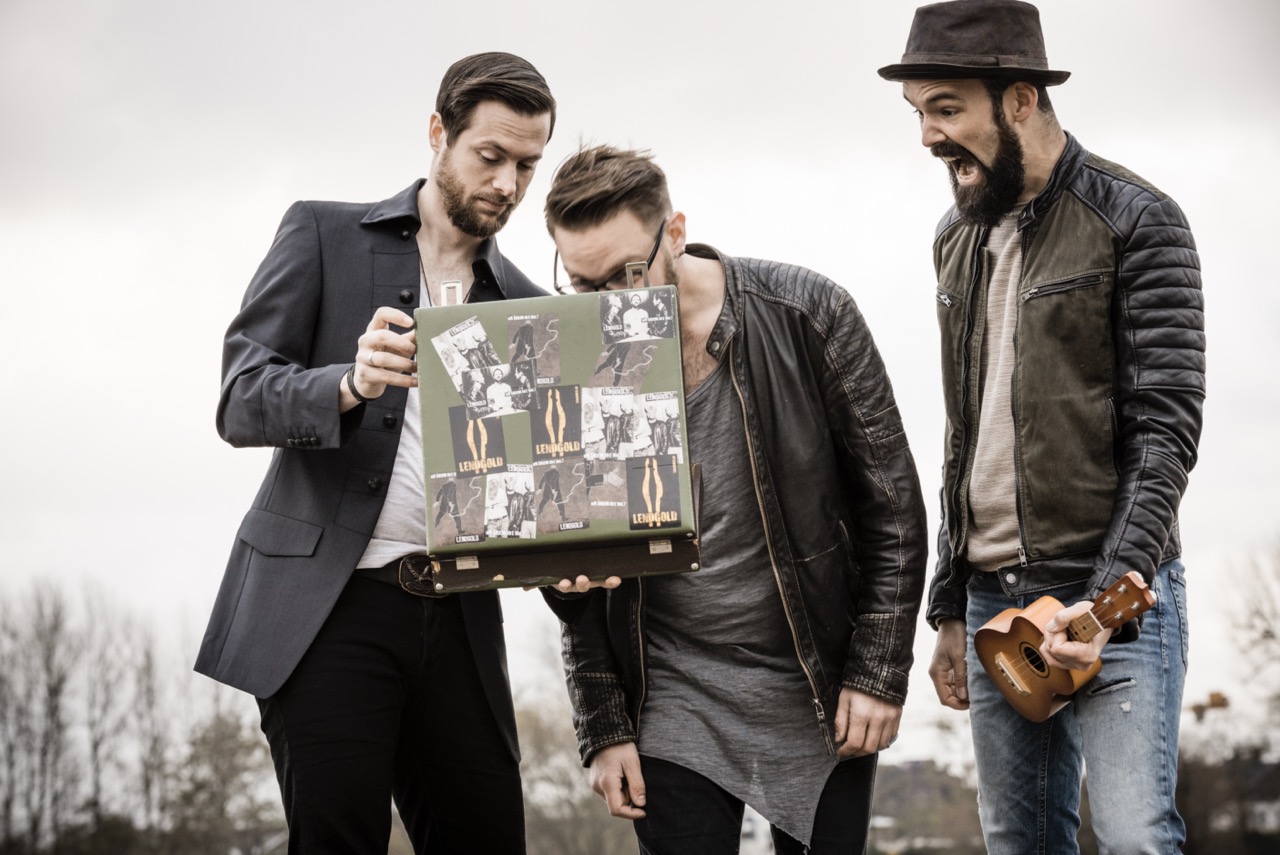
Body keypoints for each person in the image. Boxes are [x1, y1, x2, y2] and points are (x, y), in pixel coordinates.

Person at [194, 52, 583, 854]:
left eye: (527, 165)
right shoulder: (321, 233)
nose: (509, 183)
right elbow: (239, 397)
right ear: (438, 133)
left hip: (461, 619)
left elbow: (539, 495)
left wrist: (573, 558)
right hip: (328, 612)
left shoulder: (532, 308)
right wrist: (347, 383)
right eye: (491, 156)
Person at [878, 2, 1205, 852]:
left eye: (947, 108)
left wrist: (1106, 594)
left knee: (1136, 838)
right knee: (1017, 842)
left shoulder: (1138, 219)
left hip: (1116, 598)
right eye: (919, 112)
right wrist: (950, 606)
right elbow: (965, 436)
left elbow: (1166, 429)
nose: (928, 136)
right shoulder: (955, 239)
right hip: (995, 606)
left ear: (1020, 99)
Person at [542, 145, 928, 854]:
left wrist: (878, 671)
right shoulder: (571, 354)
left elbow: (893, 507)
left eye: (626, 275)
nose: (608, 305)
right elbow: (580, 578)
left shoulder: (810, 312)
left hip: (814, 683)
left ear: (676, 233)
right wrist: (604, 724)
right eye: (583, 284)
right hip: (671, 690)